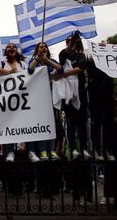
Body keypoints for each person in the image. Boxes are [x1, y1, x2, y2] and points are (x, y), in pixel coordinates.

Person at [0, 43, 35, 162]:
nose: (11, 48)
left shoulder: (23, 64)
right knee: (9, 125)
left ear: (16, 51)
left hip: (23, 100)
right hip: (9, 101)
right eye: (9, 47)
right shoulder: (2, 64)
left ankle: (30, 150)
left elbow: (31, 71)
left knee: (27, 125)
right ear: (6, 51)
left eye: (13, 47)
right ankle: (10, 151)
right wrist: (9, 72)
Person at [56, 32, 90, 160]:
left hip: (80, 92)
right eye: (68, 41)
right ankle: (74, 148)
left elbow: (81, 68)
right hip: (67, 93)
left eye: (72, 41)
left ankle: (84, 148)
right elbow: (62, 65)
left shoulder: (81, 55)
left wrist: (66, 73)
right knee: (70, 122)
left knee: (82, 122)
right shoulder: (63, 54)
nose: (70, 42)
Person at [27, 42, 61, 161]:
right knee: (42, 124)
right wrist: (37, 59)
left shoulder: (51, 60)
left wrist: (46, 60)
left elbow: (59, 69)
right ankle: (42, 151)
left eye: (45, 46)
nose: (43, 48)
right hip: (39, 97)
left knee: (52, 123)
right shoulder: (33, 60)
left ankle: (51, 150)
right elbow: (30, 70)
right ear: (37, 50)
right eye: (41, 46)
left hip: (51, 96)